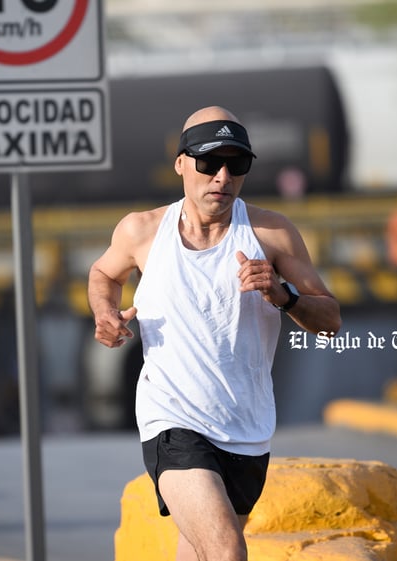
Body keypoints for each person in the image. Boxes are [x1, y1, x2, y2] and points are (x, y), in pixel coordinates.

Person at [88, 106, 341, 561]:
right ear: (181, 163)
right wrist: (105, 313)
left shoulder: (271, 234)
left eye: (236, 165)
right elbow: (104, 274)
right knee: (226, 550)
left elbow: (330, 318)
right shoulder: (142, 231)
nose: (222, 177)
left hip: (247, 429)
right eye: (209, 163)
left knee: (201, 554)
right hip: (173, 420)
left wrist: (284, 296)